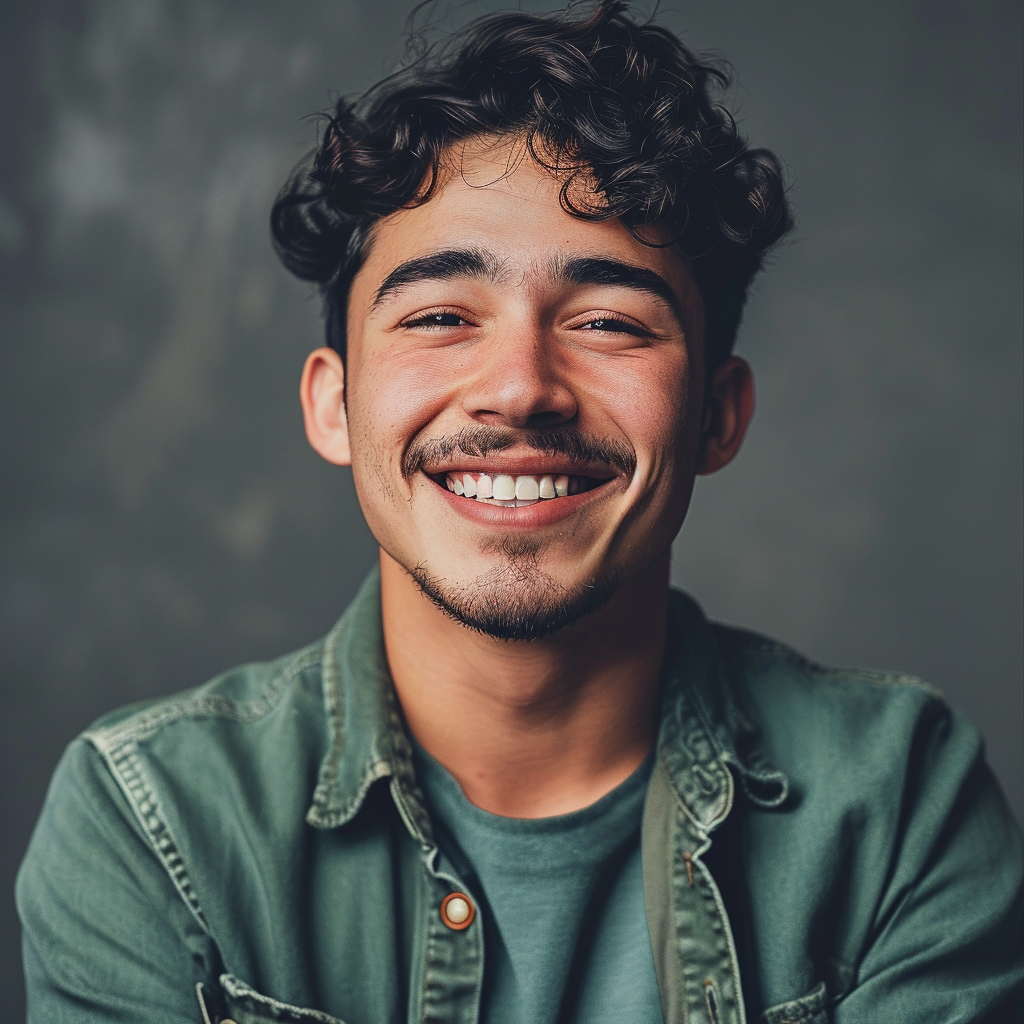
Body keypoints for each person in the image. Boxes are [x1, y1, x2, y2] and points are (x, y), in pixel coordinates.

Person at [16, 2, 1023, 1021]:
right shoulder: (151, 824)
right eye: (442, 316)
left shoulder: (899, 801)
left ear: (718, 417)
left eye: (608, 321)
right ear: (334, 402)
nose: (521, 387)